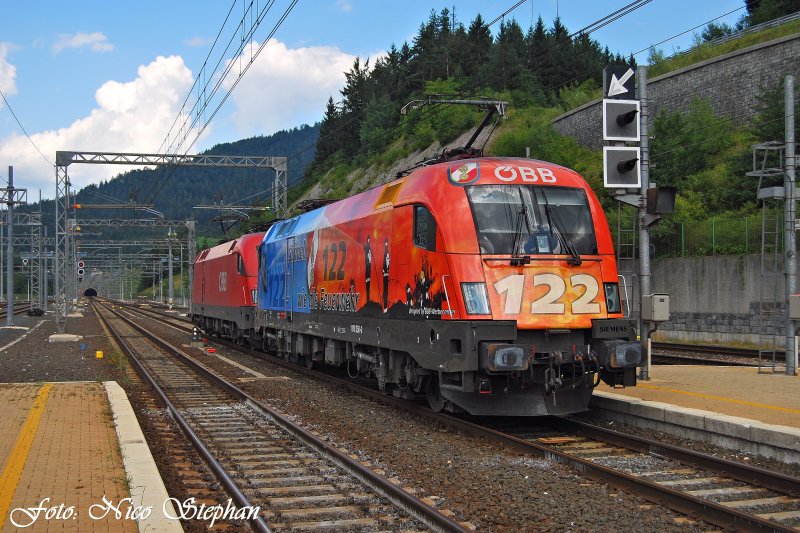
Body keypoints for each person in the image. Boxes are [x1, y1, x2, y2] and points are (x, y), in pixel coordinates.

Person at [382, 238, 390, 312]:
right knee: (385, 291)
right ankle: (385, 307)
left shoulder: (387, 252)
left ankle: (386, 307)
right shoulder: (385, 252)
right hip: (385, 275)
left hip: (387, 275)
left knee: (386, 291)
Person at [364, 235, 372, 302]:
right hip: (367, 266)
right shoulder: (367, 247)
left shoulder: (369, 248)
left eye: (369, 239)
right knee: (367, 280)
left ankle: (368, 298)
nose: (369, 240)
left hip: (369, 266)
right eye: (368, 239)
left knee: (369, 280)